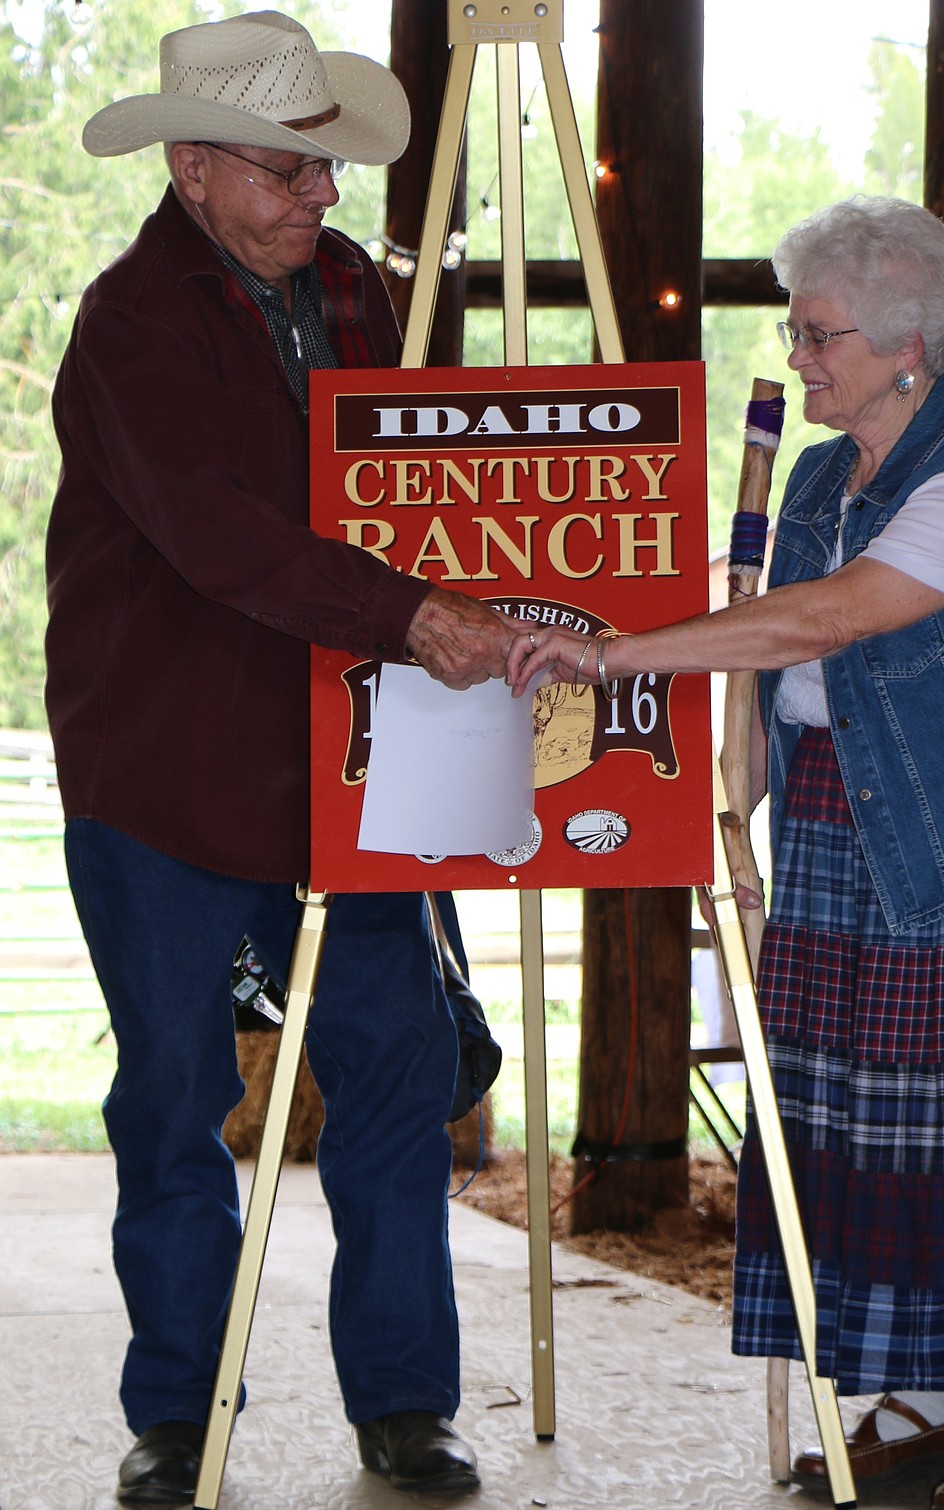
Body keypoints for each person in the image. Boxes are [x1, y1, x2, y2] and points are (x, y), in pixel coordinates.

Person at [509, 196, 944, 1510]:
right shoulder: (821, 479)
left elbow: (824, 619)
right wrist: (741, 822)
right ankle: (917, 1407)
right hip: (838, 841)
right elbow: (782, 668)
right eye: (794, 329)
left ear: (905, 341)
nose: (796, 354)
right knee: (866, 1144)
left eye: (818, 333)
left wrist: (606, 651)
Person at [46, 12, 517, 1504]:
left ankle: (402, 1402)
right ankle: (179, 1411)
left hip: (352, 769)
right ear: (192, 171)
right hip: (171, 772)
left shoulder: (356, 292)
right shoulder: (130, 323)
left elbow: (411, 479)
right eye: (288, 171)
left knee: (397, 1070)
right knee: (175, 1095)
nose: (322, 198)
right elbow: (219, 536)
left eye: (323, 172)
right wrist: (411, 609)